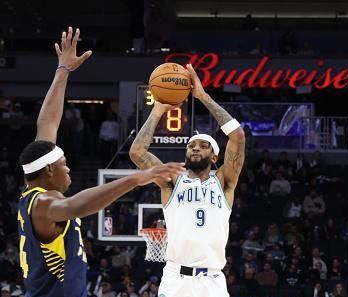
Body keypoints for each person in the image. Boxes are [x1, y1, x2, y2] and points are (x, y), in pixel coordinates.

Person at [17, 27, 185, 297]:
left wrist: (63, 70)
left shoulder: (32, 193)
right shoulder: (44, 203)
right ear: (48, 169)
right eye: (64, 163)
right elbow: (76, 205)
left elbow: (47, 122)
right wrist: (135, 178)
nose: (68, 167)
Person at [130, 63, 246, 297]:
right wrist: (157, 110)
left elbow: (237, 136)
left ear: (214, 156)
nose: (195, 148)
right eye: (191, 145)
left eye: (203, 146)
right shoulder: (172, 179)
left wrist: (202, 96)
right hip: (175, 279)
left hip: (212, 280)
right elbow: (137, 153)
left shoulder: (224, 182)